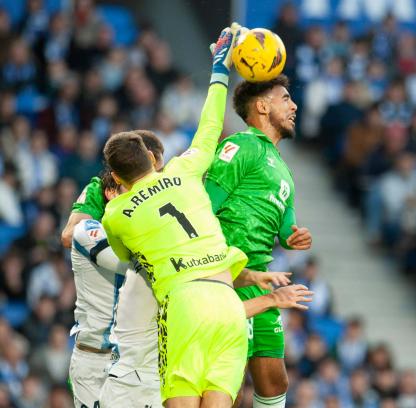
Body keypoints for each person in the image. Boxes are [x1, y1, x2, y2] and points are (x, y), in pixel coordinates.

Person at [101, 24, 310, 407]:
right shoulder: (186, 171)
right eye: (285, 98)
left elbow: (120, 254)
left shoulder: (115, 212)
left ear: (115, 177)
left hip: (186, 300)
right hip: (226, 288)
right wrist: (220, 66)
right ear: (153, 159)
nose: (293, 104)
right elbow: (211, 127)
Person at [204, 71, 313, 407]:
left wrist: (295, 238)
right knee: (227, 382)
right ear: (263, 107)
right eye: (286, 99)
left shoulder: (282, 168)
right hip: (228, 276)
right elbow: (204, 205)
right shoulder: (241, 146)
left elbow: (285, 229)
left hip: (262, 279)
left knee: (274, 380)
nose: (294, 106)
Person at [67, 171, 127, 408]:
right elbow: (131, 265)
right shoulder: (88, 230)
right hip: (95, 358)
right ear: (111, 193)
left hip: (130, 361)